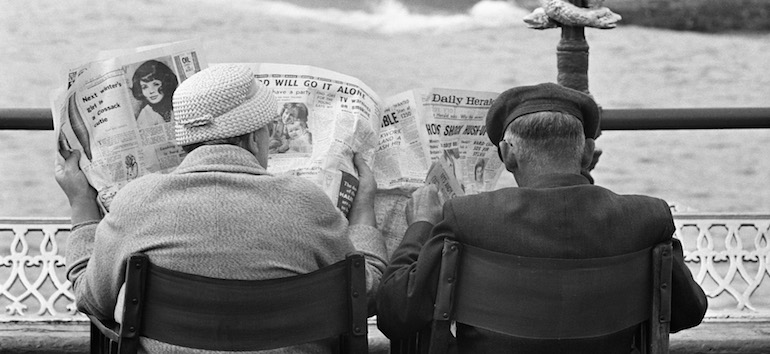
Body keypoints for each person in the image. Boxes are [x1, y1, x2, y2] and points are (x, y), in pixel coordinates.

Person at [57, 64, 387, 353]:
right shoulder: (307, 203)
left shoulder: (137, 202)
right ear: (257, 137)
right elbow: (366, 295)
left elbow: (91, 297)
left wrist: (81, 204)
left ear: (183, 142)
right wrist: (364, 209)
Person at [376, 83, 707, 353]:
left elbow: (395, 314)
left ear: (507, 155)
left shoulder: (468, 218)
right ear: (587, 153)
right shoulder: (647, 218)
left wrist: (421, 223)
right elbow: (687, 312)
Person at [131, 59, 178, 127]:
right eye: (145, 87)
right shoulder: (145, 114)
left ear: (166, 83)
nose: (151, 91)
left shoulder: (176, 105)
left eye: (156, 84)